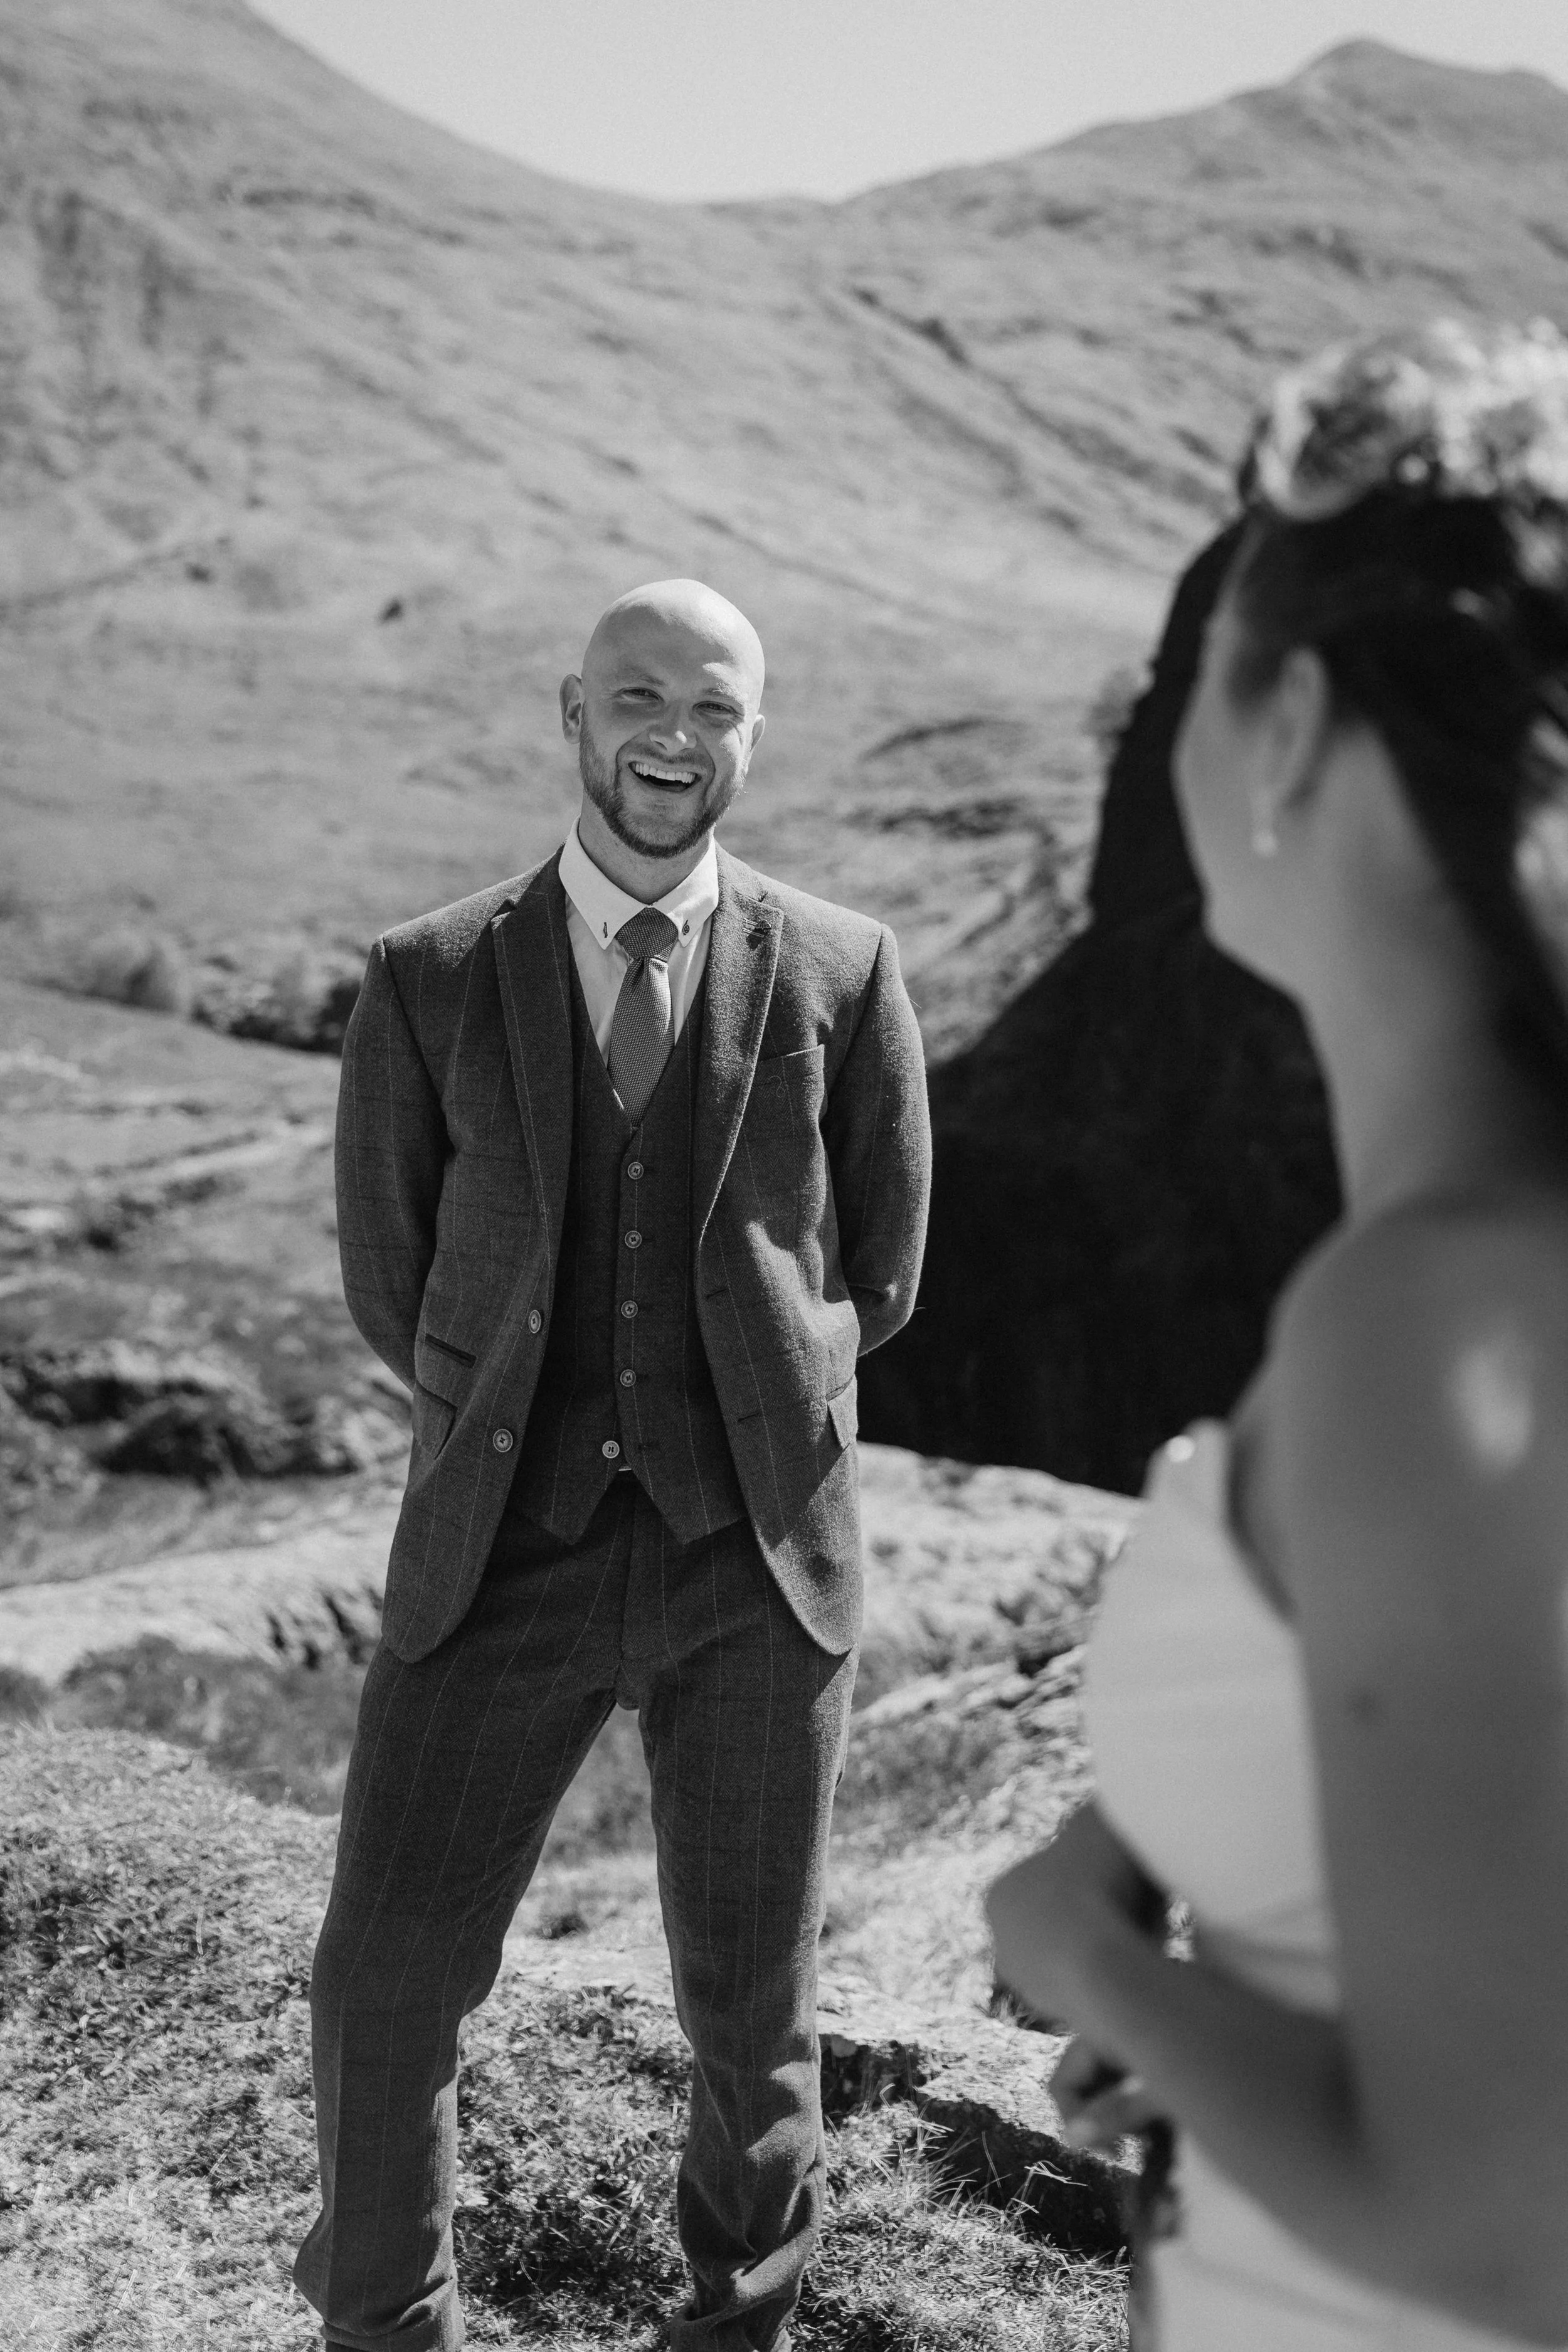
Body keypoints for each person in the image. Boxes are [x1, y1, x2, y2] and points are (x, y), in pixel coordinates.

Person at [987, 320, 1568, 2351]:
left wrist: (1087, 1949)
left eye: (1204, 661)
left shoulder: (1434, 1323)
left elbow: (1506, 2227)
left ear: (1295, 722)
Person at [294, 577, 931, 2352]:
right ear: (570, 712)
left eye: (712, 707)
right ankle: (383, 2322)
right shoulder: (425, 978)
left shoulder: (841, 968)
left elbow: (876, 1277)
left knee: (751, 2008)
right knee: (382, 1981)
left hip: (755, 1560)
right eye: (637, 696)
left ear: (754, 729)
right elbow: (386, 1270)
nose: (674, 736)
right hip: (498, 1550)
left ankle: (734, 2324)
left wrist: (740, 1405)